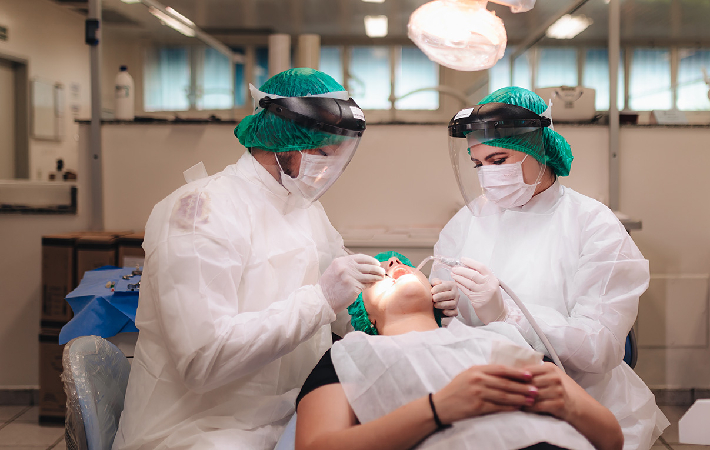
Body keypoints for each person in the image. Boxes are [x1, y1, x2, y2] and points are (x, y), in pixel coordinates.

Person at [113, 69, 395, 450]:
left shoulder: (304, 208)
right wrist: (320, 299)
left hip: (283, 419)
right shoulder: (199, 213)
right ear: (283, 140)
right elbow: (203, 361)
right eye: (323, 152)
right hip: (197, 432)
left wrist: (389, 301)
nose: (330, 168)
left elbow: (345, 306)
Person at [431, 87, 668, 450]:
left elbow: (600, 348)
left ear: (537, 148)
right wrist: (442, 305)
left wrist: (508, 315)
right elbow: (445, 303)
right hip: (485, 400)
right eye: (478, 164)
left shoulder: (593, 225)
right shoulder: (469, 220)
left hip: (579, 408)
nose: (486, 176)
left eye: (498, 160)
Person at [295, 252, 624, 450]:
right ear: (366, 315)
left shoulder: (499, 338)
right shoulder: (350, 354)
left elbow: (612, 440)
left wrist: (568, 404)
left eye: (401, 263)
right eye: (377, 272)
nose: (393, 262)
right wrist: (439, 409)